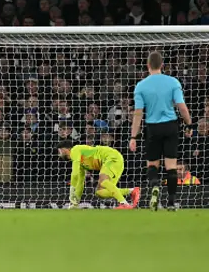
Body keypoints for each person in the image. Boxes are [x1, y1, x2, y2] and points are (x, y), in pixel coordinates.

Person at [129, 51, 193, 211]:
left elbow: (138, 113)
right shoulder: (173, 82)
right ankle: (171, 203)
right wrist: (189, 124)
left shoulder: (141, 86)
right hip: (171, 126)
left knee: (152, 165)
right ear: (162, 65)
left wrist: (133, 136)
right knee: (171, 166)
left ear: (147, 65)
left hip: (152, 128)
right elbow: (182, 107)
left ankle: (155, 186)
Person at [57, 140, 141, 209]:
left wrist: (72, 189)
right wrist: (75, 202)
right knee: (100, 192)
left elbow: (74, 174)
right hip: (112, 163)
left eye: (59, 151)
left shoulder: (75, 150)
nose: (59, 154)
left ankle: (124, 204)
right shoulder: (80, 162)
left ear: (64, 150)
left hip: (111, 157)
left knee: (104, 181)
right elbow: (80, 182)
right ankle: (132, 191)